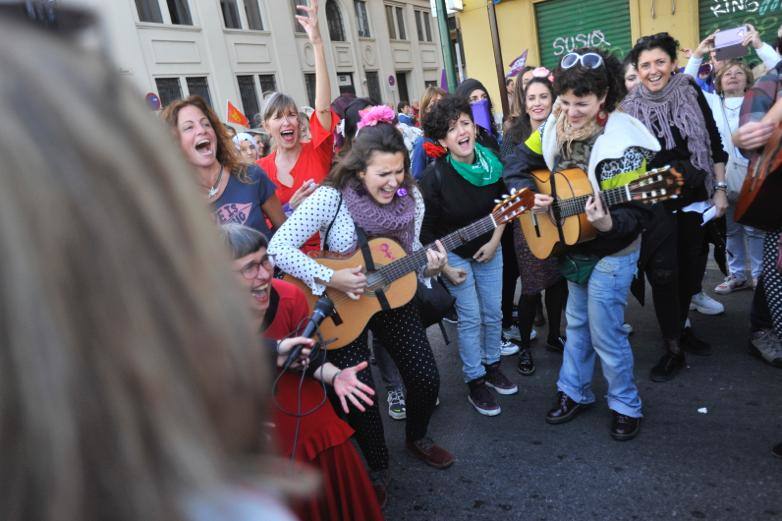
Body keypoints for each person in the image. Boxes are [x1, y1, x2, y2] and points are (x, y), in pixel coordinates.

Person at [0, 10, 305, 520]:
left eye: (206, 124)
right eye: (189, 128)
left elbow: (286, 228)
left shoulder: (247, 180)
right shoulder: (168, 201)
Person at [268, 107, 454, 500]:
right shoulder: (330, 197)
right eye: (383, 174)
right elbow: (278, 247)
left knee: (425, 377)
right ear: (359, 172)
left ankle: (416, 436)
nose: (394, 183)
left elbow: (412, 253)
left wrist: (431, 267)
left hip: (393, 297)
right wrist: (331, 276)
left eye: (399, 171)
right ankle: (377, 464)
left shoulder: (412, 200)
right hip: (341, 306)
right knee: (361, 393)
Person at [504, 48, 660, 441]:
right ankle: (574, 391)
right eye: (566, 101)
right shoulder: (554, 126)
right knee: (576, 325)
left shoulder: (626, 139)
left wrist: (609, 222)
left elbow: (640, 211)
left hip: (613, 249)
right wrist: (527, 194)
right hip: (571, 244)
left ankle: (626, 403)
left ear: (604, 97)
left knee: (606, 331)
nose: (571, 111)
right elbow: (516, 164)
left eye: (582, 104)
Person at [220, 224, 385, 516]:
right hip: (246, 413)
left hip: (300, 401)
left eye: (265, 261)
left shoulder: (289, 297)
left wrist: (335, 376)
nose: (263, 274)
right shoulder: (205, 315)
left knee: (333, 440)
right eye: (249, 268)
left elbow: (309, 358)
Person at [621, 32, 729, 382]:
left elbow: (712, 140)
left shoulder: (690, 89)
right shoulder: (628, 108)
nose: (653, 71)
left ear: (672, 63)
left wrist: (721, 189)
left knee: (691, 270)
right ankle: (673, 348)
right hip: (654, 205)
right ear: (637, 70)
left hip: (696, 199)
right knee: (664, 275)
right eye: (645, 65)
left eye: (659, 62)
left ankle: (683, 328)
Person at [420, 95, 519, 416]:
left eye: (465, 123)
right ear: (441, 140)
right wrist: (446, 268)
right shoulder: (433, 177)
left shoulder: (492, 162)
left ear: (474, 127)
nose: (461, 132)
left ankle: (493, 365)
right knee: (471, 317)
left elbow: (506, 208)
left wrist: (494, 243)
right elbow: (426, 233)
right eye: (451, 129)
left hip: (492, 249)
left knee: (493, 313)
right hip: (454, 256)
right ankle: (475, 379)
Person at [257, 0, 337, 252]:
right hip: (288, 259)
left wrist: (317, 43)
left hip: (331, 252)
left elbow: (322, 107)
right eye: (278, 117)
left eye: (291, 115)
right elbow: (263, 227)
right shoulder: (259, 171)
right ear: (266, 126)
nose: (287, 121)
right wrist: (290, 208)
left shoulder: (317, 149)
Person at [501, 76, 567, 375]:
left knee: (557, 281)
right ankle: (526, 346)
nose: (538, 103)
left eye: (544, 96)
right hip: (527, 220)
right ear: (524, 104)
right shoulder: (515, 134)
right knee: (530, 286)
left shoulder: (566, 127)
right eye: (532, 98)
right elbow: (509, 173)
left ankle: (554, 335)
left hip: (561, 217)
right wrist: (532, 195)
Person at [162, 96, 285, 238]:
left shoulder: (250, 175)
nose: (202, 130)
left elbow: (286, 234)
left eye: (206, 124)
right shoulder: (176, 205)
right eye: (189, 127)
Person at [691, 60, 766, 294]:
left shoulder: (757, 100)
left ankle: (760, 277)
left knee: (755, 229)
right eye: (727, 74)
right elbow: (689, 81)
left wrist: (756, 44)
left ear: (748, 79)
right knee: (731, 229)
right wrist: (699, 55)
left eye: (739, 73)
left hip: (753, 173)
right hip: (723, 174)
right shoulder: (712, 102)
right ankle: (737, 275)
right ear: (719, 82)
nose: (733, 77)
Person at [732, 63, 782, 371]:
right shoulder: (770, 82)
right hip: (777, 197)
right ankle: (764, 330)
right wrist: (745, 137)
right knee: (776, 269)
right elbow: (749, 139)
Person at [410, 85, 447, 179]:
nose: (439, 108)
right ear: (425, 110)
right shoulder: (421, 143)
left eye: (442, 103)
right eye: (433, 105)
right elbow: (417, 181)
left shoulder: (453, 138)